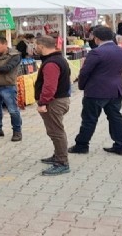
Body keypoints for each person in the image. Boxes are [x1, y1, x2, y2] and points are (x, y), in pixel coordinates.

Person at [68, 26, 122, 155]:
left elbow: (85, 72)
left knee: (89, 119)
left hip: (96, 91)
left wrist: (82, 86)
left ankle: (82, 145)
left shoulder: (96, 52)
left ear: (96, 38)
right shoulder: (121, 51)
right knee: (115, 117)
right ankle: (120, 144)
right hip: (116, 89)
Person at [34, 36, 72, 176]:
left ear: (42, 46)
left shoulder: (51, 63)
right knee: (56, 131)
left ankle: (62, 162)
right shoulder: (58, 59)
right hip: (59, 99)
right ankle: (58, 155)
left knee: (56, 132)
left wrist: (43, 102)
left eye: (36, 45)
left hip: (54, 102)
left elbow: (49, 86)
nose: (35, 47)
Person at [0, 36, 23, 141]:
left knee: (13, 110)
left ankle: (17, 131)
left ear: (5, 44)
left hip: (8, 86)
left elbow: (7, 68)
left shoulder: (14, 55)